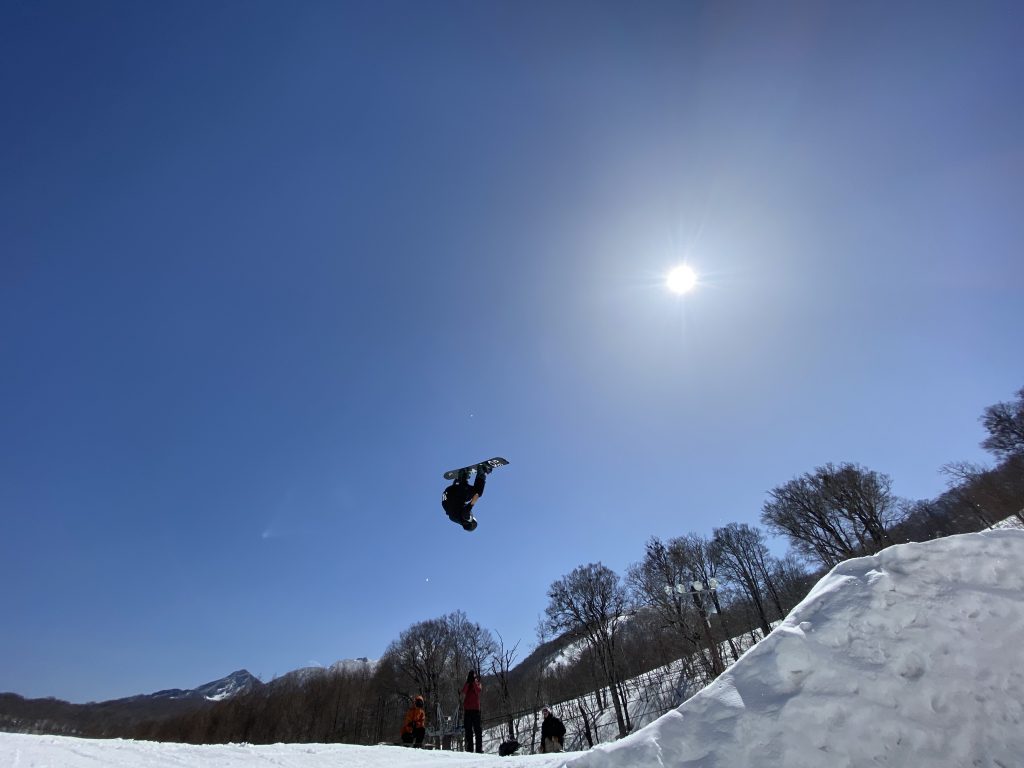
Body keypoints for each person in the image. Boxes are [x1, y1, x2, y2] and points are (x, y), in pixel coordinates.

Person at [442, 464, 491, 532]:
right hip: (450, 491)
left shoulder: (466, 519)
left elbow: (468, 509)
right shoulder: (455, 518)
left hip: (455, 493)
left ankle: (481, 471)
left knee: (478, 492)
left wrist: (475, 498)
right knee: (464, 498)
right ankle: (460, 478)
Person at [460, 670, 483, 753]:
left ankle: (479, 749)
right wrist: (468, 682)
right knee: (468, 731)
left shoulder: (478, 683)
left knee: (478, 731)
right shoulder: (468, 684)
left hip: (476, 710)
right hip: (467, 710)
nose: (474, 678)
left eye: (474, 676)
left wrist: (473, 682)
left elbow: (478, 691)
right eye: (472, 676)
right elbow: (464, 691)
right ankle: (469, 749)